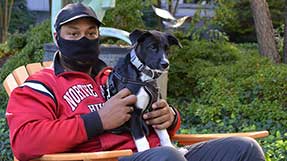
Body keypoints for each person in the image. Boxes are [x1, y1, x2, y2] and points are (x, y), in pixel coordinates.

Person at [6, 3, 266, 161]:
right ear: (56, 37)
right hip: (109, 158)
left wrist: (169, 118)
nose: (84, 40)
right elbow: (25, 142)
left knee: (243, 149)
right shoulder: (40, 85)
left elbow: (150, 124)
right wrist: (98, 121)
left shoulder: (115, 78)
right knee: (168, 157)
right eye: (73, 34)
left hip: (162, 153)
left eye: (91, 33)